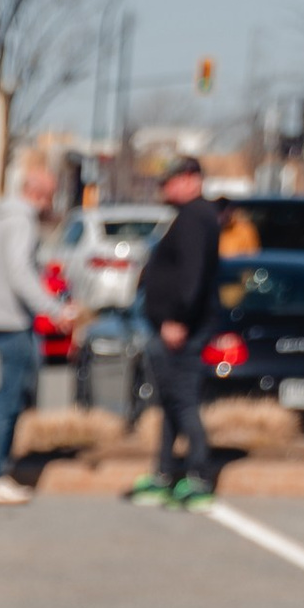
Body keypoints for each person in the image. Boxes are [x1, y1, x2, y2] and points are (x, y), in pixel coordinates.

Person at [127, 154, 222, 510]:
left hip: (182, 328)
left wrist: (178, 319)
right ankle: (165, 473)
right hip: (171, 326)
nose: (164, 187)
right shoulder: (188, 218)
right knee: (169, 402)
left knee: (182, 401)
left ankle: (198, 476)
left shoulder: (196, 217)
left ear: (192, 178)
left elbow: (192, 276)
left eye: (170, 180)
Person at [0, 155, 57, 506]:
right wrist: (54, 309)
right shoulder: (22, 220)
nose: (51, 203)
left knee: (4, 398)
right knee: (9, 400)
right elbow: (21, 273)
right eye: (50, 195)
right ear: (36, 192)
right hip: (12, 320)